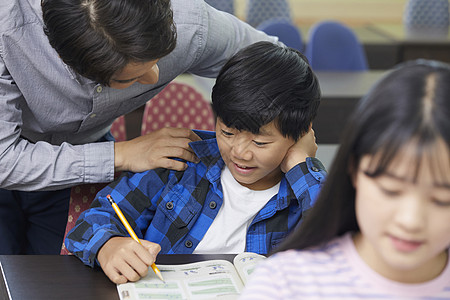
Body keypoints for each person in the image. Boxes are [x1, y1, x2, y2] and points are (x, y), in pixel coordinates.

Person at [0, 0, 279, 254]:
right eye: (127, 80)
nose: (154, 77)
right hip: (15, 156)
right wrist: (120, 154)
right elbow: (4, 160)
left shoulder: (191, 23)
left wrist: (290, 140)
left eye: (159, 59)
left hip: (79, 167)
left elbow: (280, 66)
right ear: (64, 59)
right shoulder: (7, 30)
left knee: (59, 278)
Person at [65, 41, 326, 284]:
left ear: (301, 133)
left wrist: (301, 165)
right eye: (227, 132)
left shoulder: (303, 187)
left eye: (260, 143)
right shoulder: (180, 161)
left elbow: (345, 254)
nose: (240, 153)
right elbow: (92, 220)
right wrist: (107, 245)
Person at [239, 59, 450, 299]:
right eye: (391, 190)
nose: (411, 221)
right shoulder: (285, 284)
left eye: (442, 199)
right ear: (354, 170)